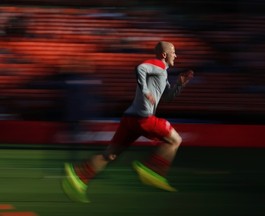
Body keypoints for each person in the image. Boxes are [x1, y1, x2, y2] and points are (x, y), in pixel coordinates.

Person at [62, 41, 194, 203]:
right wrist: (145, 91)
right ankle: (152, 170)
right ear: (164, 54)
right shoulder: (157, 64)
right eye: (173, 52)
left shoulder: (162, 72)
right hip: (143, 118)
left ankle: (79, 176)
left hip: (130, 118)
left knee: (109, 155)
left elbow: (167, 97)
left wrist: (179, 85)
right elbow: (140, 68)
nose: (176, 55)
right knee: (175, 140)